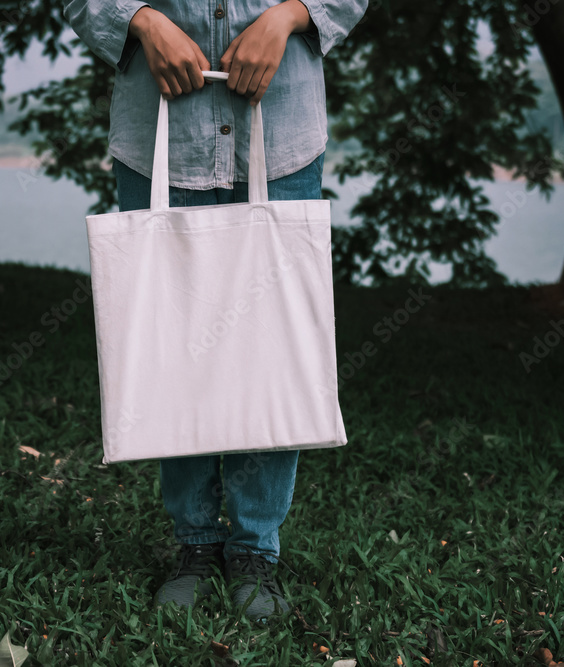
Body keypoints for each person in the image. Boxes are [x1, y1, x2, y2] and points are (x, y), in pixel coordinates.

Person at [63, 0, 368, 621]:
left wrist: (291, 15)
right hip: (159, 130)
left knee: (272, 349)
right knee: (171, 347)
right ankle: (195, 544)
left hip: (280, 132)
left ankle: (256, 548)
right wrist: (141, 21)